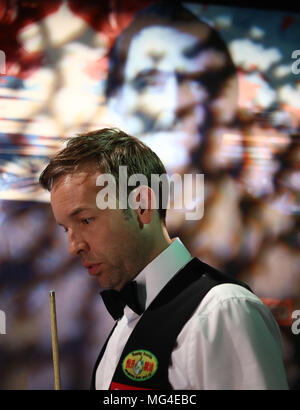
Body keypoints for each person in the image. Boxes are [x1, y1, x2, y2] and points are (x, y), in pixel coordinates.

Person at [39, 127, 288, 390]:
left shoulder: (223, 312)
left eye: (86, 220)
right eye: (66, 229)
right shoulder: (126, 320)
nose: (73, 247)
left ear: (142, 206)